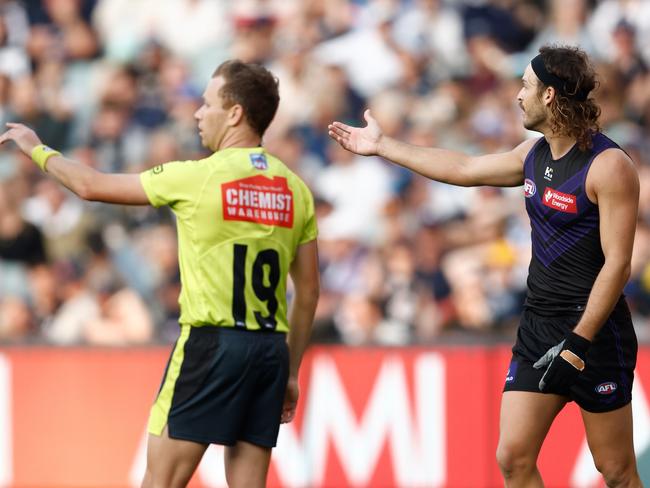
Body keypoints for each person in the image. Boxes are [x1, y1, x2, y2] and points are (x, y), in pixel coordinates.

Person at [329, 44, 641, 487]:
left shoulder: (608, 166)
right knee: (512, 457)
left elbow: (618, 265)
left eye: (526, 85)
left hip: (594, 334)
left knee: (616, 471)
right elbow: (464, 167)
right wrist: (382, 146)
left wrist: (579, 341)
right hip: (539, 326)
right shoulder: (531, 155)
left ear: (549, 96)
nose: (518, 95)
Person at [0, 59, 320, 488]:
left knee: (160, 481)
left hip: (212, 344)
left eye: (207, 104)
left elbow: (90, 186)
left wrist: (37, 148)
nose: (197, 113)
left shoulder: (198, 178)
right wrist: (292, 371)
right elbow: (310, 293)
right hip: (268, 352)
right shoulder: (296, 189)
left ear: (235, 113)